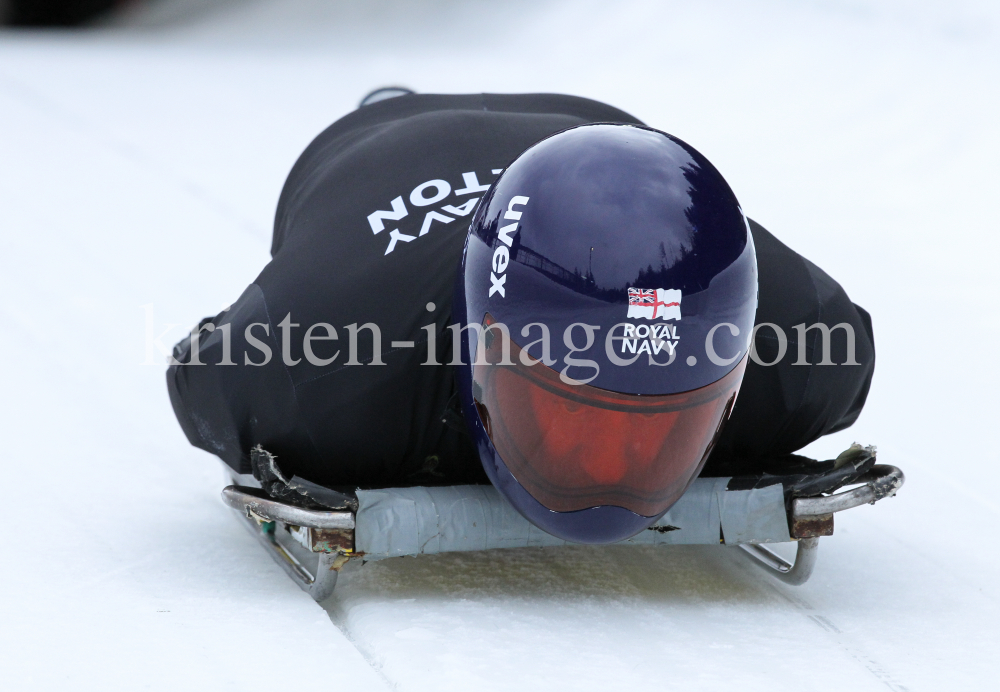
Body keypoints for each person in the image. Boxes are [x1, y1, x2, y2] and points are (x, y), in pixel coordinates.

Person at [166, 91, 874, 541]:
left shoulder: (805, 353)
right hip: (371, 150)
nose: (609, 478)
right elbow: (198, 376)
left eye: (666, 426)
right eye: (570, 414)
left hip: (605, 141)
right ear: (476, 344)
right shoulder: (317, 363)